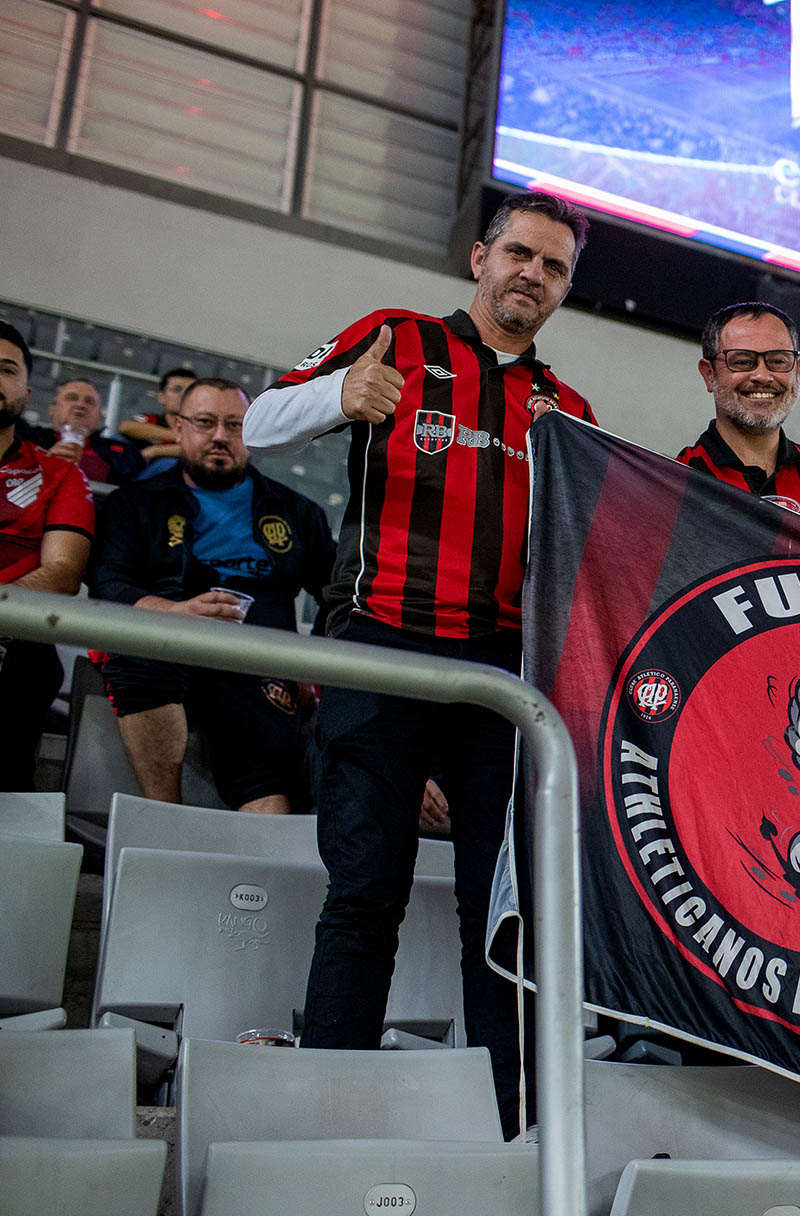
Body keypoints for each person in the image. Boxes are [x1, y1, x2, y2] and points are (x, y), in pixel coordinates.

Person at [243, 190, 597, 1135]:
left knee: (501, 915)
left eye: (554, 266)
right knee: (365, 893)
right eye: (520, 253)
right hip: (382, 652)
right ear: (481, 257)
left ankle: (514, 1136)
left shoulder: (569, 411)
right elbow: (258, 424)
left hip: (502, 680)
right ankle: (324, 1125)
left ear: (565, 288)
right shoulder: (395, 339)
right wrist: (339, 397)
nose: (532, 274)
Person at [88, 378, 333, 813]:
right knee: (140, 659)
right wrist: (176, 612)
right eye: (205, 422)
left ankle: (262, 843)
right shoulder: (134, 503)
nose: (220, 436)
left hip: (257, 660)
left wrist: (307, 665)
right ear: (179, 428)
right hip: (167, 645)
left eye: (235, 425)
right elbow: (110, 584)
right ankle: (165, 818)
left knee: (268, 782)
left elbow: (338, 598)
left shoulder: (298, 513)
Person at [676, 301, 800, 541]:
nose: (762, 376)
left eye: (778, 361)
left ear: (796, 370)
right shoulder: (674, 482)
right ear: (709, 375)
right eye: (742, 361)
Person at [0, 320, 94, 790]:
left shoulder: (59, 474)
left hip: (13, 637)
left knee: (31, 667)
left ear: (28, 393)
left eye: (6, 369)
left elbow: (62, 572)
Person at [21, 377, 145, 485]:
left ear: (99, 416)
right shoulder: (26, 439)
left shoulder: (125, 454)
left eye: (90, 402)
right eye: (71, 398)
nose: (80, 405)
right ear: (52, 409)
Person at [118, 367, 197, 469]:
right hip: (143, 474)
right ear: (161, 397)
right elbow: (125, 427)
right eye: (177, 390)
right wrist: (178, 436)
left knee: (168, 464)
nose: (184, 395)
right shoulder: (151, 420)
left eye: (189, 391)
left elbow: (200, 450)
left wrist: (156, 450)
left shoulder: (202, 427)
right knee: (118, 440)